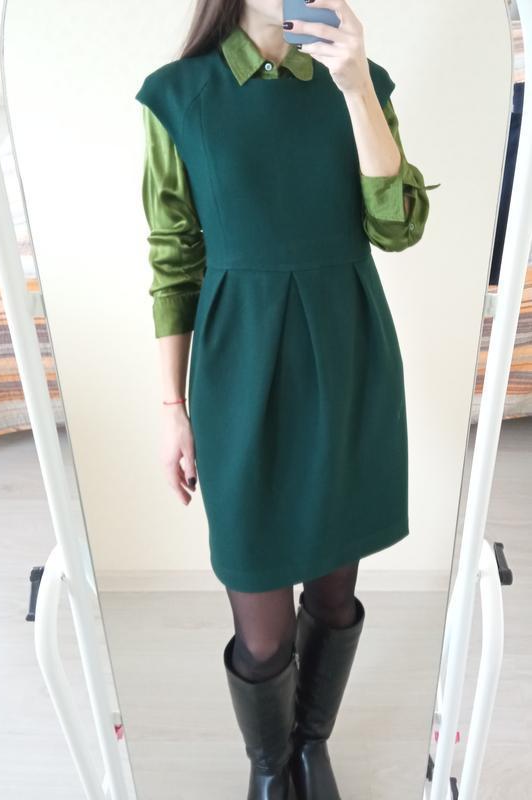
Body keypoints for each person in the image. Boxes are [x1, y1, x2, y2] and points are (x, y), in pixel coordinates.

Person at [135, 1, 440, 797]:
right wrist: (172, 409)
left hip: (347, 359)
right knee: (262, 627)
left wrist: (357, 89)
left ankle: (310, 745)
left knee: (335, 596)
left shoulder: (361, 82)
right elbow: (174, 259)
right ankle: (270, 764)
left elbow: (398, 228)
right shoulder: (178, 96)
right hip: (239, 373)